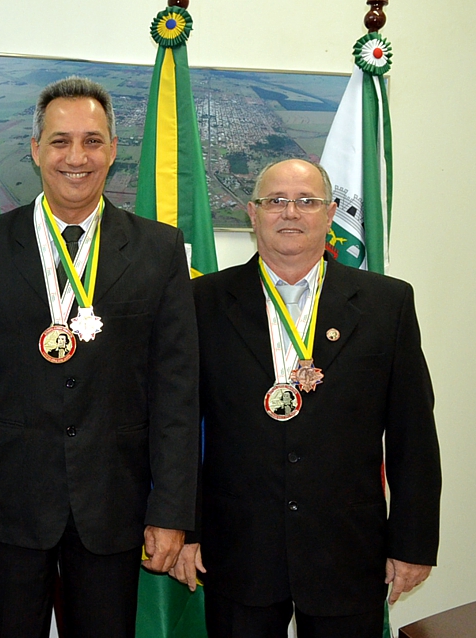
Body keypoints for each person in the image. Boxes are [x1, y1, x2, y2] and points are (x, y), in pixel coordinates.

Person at [0, 76, 199, 638]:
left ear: (112, 150)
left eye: (92, 141)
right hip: (6, 512)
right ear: (35, 150)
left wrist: (171, 511)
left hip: (114, 506)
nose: (75, 157)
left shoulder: (159, 250)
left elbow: (176, 393)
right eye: (59, 141)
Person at [175, 159, 441, 637]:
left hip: (348, 551)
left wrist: (413, 543)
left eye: (307, 201)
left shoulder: (387, 304)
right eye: (275, 201)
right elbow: (178, 427)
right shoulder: (202, 302)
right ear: (253, 214)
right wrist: (185, 531)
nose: (290, 212)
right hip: (237, 550)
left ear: (331, 213)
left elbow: (413, 435)